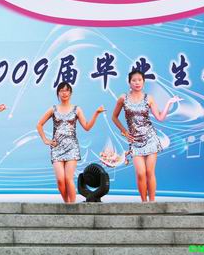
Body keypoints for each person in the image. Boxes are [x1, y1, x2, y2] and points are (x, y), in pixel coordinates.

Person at [111, 70, 181, 202]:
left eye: (140, 80)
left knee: (149, 172)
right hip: (135, 141)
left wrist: (169, 103)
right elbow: (114, 117)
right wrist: (125, 132)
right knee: (140, 173)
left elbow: (160, 117)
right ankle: (144, 203)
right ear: (129, 82)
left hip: (150, 139)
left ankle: (152, 202)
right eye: (134, 80)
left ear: (143, 82)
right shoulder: (123, 98)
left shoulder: (149, 98)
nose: (137, 83)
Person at [36, 82, 104, 203]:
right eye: (62, 91)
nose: (64, 93)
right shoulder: (53, 109)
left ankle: (72, 207)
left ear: (70, 93)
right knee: (60, 180)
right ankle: (67, 203)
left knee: (68, 179)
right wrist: (46, 140)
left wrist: (96, 114)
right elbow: (39, 125)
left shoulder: (76, 109)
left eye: (67, 90)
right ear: (58, 93)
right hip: (57, 148)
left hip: (72, 148)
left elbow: (87, 127)